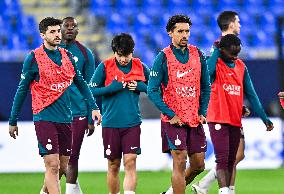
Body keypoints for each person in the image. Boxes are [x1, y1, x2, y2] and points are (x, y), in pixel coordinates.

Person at [8, 17, 101, 194]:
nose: (58, 34)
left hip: (66, 118)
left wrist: (94, 107)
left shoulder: (67, 57)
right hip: (44, 117)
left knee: (63, 166)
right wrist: (13, 120)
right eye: (53, 31)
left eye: (58, 31)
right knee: (52, 164)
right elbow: (21, 90)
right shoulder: (33, 59)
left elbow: (81, 83)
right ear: (42, 34)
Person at [147, 14, 211, 194]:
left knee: (198, 164)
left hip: (194, 118)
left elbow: (206, 86)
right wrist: (170, 114)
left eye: (187, 31)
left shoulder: (198, 54)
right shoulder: (162, 58)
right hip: (173, 119)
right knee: (180, 160)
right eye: (180, 31)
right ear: (170, 33)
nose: (185, 35)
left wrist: (202, 111)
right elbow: (152, 90)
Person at [203, 34, 273, 194]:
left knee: (230, 161)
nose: (235, 56)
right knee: (222, 159)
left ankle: (225, 190)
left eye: (238, 53)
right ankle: (223, 191)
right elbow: (206, 73)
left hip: (235, 120)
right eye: (232, 53)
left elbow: (252, 94)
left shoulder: (241, 67)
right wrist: (215, 51)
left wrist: (264, 118)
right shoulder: (215, 63)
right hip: (218, 118)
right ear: (221, 50)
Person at [192, 10, 249, 194]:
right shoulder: (217, 46)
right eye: (238, 22)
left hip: (233, 107)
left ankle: (218, 187)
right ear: (231, 24)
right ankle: (212, 186)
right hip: (221, 110)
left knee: (236, 155)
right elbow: (209, 75)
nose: (240, 25)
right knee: (231, 156)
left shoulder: (233, 46)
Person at [89, 33, 150, 194]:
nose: (123, 59)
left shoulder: (141, 66)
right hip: (110, 123)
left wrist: (140, 87)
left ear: (132, 52)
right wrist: (110, 89)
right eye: (120, 55)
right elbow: (91, 90)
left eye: (127, 55)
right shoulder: (105, 66)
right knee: (113, 164)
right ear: (114, 52)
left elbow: (157, 89)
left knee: (130, 161)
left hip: (132, 122)